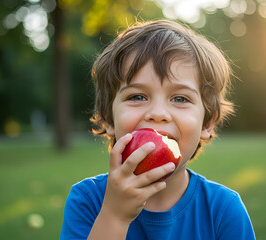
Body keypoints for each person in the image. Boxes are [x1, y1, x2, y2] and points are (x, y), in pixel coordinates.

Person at [59, 20, 255, 240]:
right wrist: (114, 216)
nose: (158, 113)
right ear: (108, 119)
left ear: (207, 123)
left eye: (180, 98)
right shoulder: (88, 200)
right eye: (137, 97)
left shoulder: (223, 210)